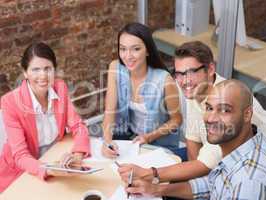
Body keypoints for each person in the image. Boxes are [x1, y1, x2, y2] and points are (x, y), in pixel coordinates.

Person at [118, 41, 266, 183]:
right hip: (209, 159)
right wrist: (193, 179)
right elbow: (192, 138)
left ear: (210, 69)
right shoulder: (195, 90)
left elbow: (205, 165)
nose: (184, 81)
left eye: (190, 72)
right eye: (179, 74)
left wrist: (151, 175)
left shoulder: (222, 100)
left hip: (239, 171)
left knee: (150, 177)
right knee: (145, 167)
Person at [122, 80, 266, 199]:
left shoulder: (248, 185)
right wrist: (156, 189)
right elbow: (215, 184)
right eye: (209, 108)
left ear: (247, 114)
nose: (211, 118)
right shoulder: (251, 141)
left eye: (225, 110)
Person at [0, 42, 90, 192]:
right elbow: (21, 156)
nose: (43, 75)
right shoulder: (10, 102)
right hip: (20, 171)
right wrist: (50, 170)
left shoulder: (60, 88)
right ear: (25, 72)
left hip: (52, 157)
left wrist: (77, 155)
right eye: (35, 69)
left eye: (48, 68)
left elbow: (78, 126)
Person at [101, 22, 182, 158]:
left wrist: (148, 137)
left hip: (157, 144)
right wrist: (107, 142)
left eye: (136, 49)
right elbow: (110, 112)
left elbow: (177, 120)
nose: (128, 56)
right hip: (129, 139)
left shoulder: (164, 79)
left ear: (148, 50)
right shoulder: (115, 68)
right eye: (123, 49)